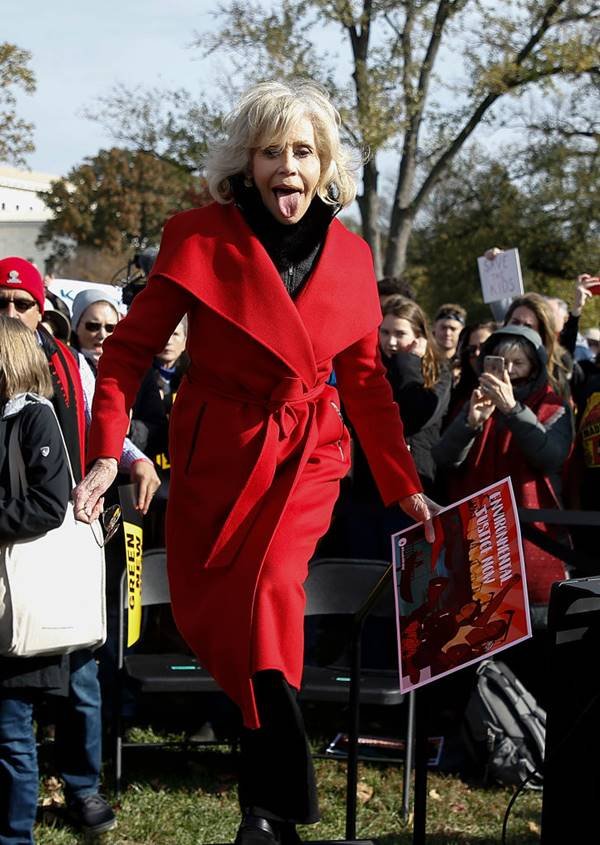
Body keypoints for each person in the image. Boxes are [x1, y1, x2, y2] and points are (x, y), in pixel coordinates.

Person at [73, 80, 436, 844]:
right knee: (227, 614)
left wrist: (403, 485)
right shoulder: (198, 235)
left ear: (324, 163)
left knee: (273, 584)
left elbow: (368, 385)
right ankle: (267, 805)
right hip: (217, 455)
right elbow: (129, 352)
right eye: (272, 152)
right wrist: (107, 450)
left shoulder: (352, 255)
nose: (288, 166)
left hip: (308, 449)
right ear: (247, 163)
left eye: (302, 151)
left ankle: (269, 801)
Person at [0, 257, 159, 835]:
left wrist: (136, 461)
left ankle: (82, 787)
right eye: (4, 303)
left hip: (71, 538)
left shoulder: (72, 366)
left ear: (43, 308)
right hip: (12, 546)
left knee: (81, 673)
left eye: (23, 303)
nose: (13, 314)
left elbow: (103, 427)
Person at [432, 324, 573, 704]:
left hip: (534, 548)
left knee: (533, 653)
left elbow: (549, 455)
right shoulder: (474, 402)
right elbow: (444, 460)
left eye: (519, 364)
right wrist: (470, 424)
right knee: (474, 639)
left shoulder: (553, 406)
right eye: (501, 363)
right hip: (479, 543)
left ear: (535, 367)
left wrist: (512, 410)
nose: (508, 373)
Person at [0, 317, 72, 845]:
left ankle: (14, 837)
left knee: (10, 734)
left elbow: (49, 505)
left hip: (16, 603)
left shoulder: (33, 418)